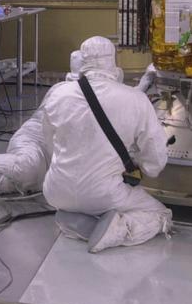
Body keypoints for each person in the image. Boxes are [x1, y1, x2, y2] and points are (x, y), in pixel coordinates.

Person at [39, 36, 172, 253]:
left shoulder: (57, 94)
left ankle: (74, 219)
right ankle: (119, 229)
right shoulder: (135, 99)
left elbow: (49, 145)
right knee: (161, 214)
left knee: (83, 198)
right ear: (113, 60)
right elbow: (155, 160)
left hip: (55, 190)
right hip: (102, 194)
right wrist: (143, 167)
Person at [0, 51, 83, 194]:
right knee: (27, 169)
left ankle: (15, 181)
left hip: (56, 154)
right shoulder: (62, 92)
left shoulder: (102, 95)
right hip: (35, 143)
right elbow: (54, 134)